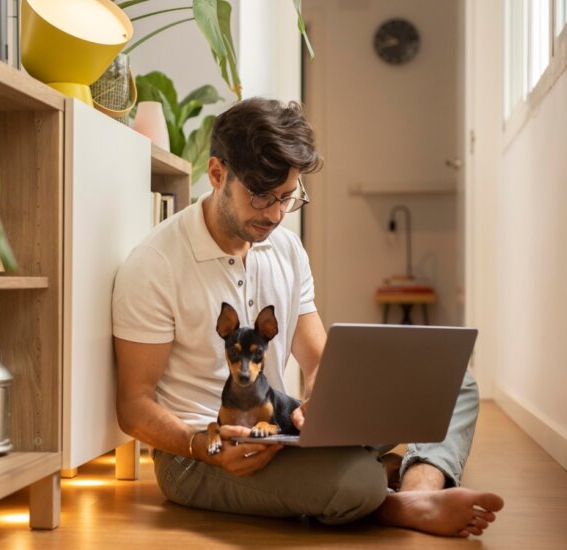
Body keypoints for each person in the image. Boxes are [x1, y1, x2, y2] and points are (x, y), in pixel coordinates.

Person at [112, 97, 504, 537]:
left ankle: (418, 490)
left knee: (453, 382)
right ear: (218, 173)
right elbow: (134, 407)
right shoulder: (155, 265)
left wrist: (324, 402)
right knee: (357, 480)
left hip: (277, 428)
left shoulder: (285, 247)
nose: (276, 215)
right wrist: (200, 446)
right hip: (200, 456)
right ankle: (386, 496)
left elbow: (317, 361)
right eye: (260, 197)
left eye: (287, 198)